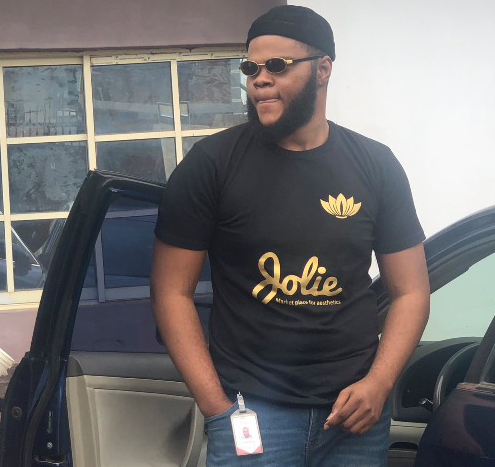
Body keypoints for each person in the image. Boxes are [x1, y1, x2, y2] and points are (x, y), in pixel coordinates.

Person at [151, 5, 430, 466]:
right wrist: (216, 406)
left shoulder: (376, 166)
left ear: (323, 69)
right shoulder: (211, 165)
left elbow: (411, 291)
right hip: (252, 412)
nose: (259, 80)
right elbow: (170, 292)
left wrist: (379, 383)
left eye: (277, 66)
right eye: (250, 68)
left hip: (355, 417)